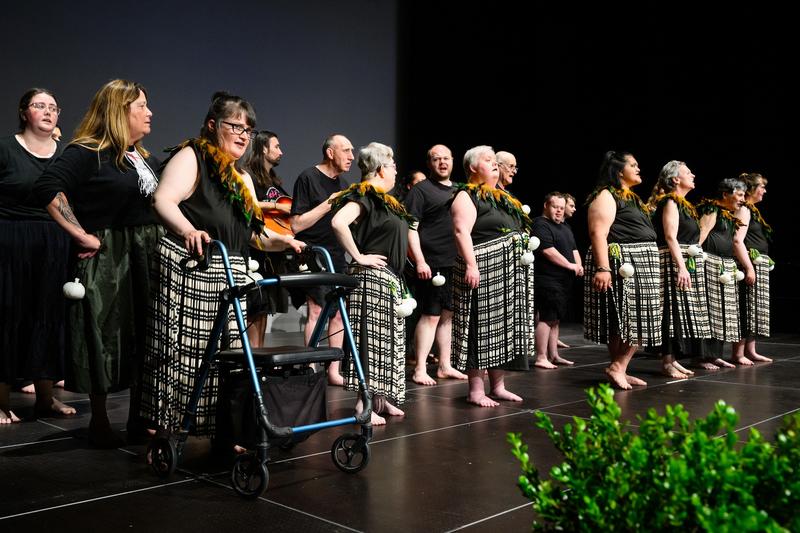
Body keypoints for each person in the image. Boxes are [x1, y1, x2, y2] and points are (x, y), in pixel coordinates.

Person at [139, 92, 302, 442]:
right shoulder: (192, 156)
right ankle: (168, 433)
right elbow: (163, 200)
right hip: (192, 267)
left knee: (228, 358)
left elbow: (253, 236)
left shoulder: (240, 177)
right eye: (235, 126)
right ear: (213, 126)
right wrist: (188, 229)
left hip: (232, 272)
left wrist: (283, 242)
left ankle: (222, 432)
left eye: (249, 130)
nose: (244, 135)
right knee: (182, 356)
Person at [33, 79, 162, 446]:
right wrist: (82, 234)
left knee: (145, 333)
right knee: (103, 333)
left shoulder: (143, 156)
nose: (149, 112)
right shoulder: (90, 151)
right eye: (141, 106)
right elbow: (48, 188)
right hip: (110, 256)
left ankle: (141, 416)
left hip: (144, 252)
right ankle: (100, 417)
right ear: (120, 111)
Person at [1, 88, 74, 424]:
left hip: (54, 244)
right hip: (11, 241)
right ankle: (1, 401)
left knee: (49, 317)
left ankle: (46, 398)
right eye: (39, 105)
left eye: (53, 107)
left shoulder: (67, 155)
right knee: (9, 317)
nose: (47, 112)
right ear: (23, 111)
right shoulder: (5, 148)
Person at [331, 142, 418, 425]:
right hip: (371, 278)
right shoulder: (364, 195)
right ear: (381, 169)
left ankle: (381, 400)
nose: (395, 172)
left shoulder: (387, 202)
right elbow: (338, 222)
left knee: (388, 341)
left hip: (389, 278)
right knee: (370, 341)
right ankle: (362, 404)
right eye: (393, 166)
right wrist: (358, 256)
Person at [450, 145, 529, 407]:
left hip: (507, 274)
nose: (495, 163)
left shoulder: (502, 197)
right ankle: (475, 389)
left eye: (495, 160)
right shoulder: (467, 195)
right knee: (479, 327)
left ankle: (498, 386)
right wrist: (472, 265)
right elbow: (462, 232)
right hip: (483, 269)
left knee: (501, 329)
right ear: (473, 168)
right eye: (487, 160)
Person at [584, 151, 660, 390]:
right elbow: (598, 233)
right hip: (623, 263)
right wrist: (603, 268)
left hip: (640, 262)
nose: (638, 169)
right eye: (633, 165)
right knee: (635, 318)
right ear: (619, 171)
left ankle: (620, 367)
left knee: (626, 321)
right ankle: (618, 367)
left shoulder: (631, 198)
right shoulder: (606, 196)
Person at [290, 134, 353, 385]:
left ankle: (334, 371)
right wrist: (328, 204)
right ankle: (311, 366)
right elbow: (296, 224)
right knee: (316, 309)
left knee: (338, 312)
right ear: (330, 152)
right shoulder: (308, 178)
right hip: (314, 253)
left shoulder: (343, 183)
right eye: (346, 151)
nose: (351, 156)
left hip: (336, 254)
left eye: (352, 151)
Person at [404, 144, 467, 385]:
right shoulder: (420, 191)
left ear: (453, 161)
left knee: (448, 316)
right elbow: (411, 228)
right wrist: (419, 260)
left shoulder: (460, 190)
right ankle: (420, 368)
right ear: (429, 163)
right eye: (436, 159)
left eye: (446, 158)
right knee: (430, 315)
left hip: (455, 261)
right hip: (433, 262)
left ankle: (444, 365)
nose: (442, 162)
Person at [649, 161, 710, 378]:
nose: (693, 175)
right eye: (688, 172)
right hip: (672, 261)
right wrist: (681, 267)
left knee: (679, 312)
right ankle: (666, 361)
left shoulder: (683, 204)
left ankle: (673, 359)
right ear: (676, 179)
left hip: (683, 260)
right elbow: (670, 237)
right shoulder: (670, 203)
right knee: (670, 310)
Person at [243, 130, 294, 348]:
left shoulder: (274, 181)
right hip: (255, 246)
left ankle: (260, 354)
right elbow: (250, 203)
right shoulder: (247, 175)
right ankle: (251, 358)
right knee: (255, 305)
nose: (281, 151)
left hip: (272, 251)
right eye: (276, 146)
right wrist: (276, 206)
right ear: (263, 148)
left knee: (264, 306)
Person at [696, 178, 745, 370]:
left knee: (723, 313)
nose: (743, 199)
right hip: (711, 263)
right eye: (739, 194)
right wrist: (693, 257)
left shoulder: (727, 215)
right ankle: (702, 357)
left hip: (724, 265)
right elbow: (702, 233)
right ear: (725, 194)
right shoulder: (711, 209)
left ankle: (715, 355)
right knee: (709, 311)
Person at [531, 192, 582, 369]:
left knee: (556, 319)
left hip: (563, 280)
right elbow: (547, 251)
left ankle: (554, 355)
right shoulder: (540, 225)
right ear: (546, 205)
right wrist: (569, 265)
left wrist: (578, 265)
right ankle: (541, 356)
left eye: (561, 208)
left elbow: (574, 249)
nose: (559, 211)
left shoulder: (565, 226)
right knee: (547, 317)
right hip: (547, 279)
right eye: (555, 207)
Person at [731, 173, 773, 364]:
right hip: (747, 264)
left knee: (754, 308)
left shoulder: (753, 210)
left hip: (758, 264)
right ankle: (738, 353)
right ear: (751, 190)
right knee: (745, 307)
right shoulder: (744, 210)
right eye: (761, 187)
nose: (764, 190)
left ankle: (750, 350)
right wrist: (749, 267)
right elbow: (737, 240)